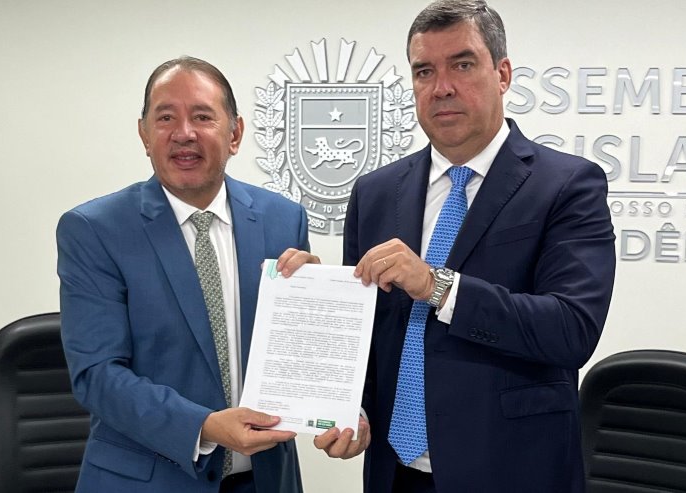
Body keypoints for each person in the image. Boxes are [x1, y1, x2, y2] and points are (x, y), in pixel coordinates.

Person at [312, 1, 616, 492]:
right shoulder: (375, 192)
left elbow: (571, 330)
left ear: (503, 74)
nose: (442, 87)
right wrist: (353, 408)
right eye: (424, 71)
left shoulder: (567, 185)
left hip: (510, 471)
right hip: (395, 472)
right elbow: (365, 333)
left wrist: (439, 287)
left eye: (462, 64)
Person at [56, 56, 315, 493]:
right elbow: (97, 375)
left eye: (202, 116)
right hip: (147, 483)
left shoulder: (283, 220)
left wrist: (318, 308)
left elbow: (296, 355)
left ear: (235, 134)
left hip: (267, 479)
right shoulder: (95, 230)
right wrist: (205, 426)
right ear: (144, 134)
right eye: (165, 118)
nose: (183, 133)